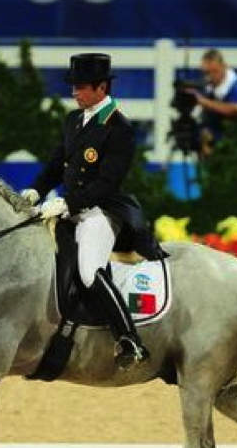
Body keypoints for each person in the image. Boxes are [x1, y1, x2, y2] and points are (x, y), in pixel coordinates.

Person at [19, 53, 164, 370]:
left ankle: (128, 338)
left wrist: (68, 204)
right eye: (73, 86)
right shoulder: (74, 120)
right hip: (69, 208)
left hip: (101, 211)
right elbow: (58, 163)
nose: (74, 92)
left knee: (88, 271)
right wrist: (36, 190)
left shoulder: (119, 128)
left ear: (101, 88)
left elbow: (107, 183)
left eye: (81, 87)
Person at [185, 48, 237, 156]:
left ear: (224, 67)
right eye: (206, 72)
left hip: (233, 142)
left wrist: (203, 101)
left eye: (214, 71)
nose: (210, 76)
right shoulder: (207, 87)